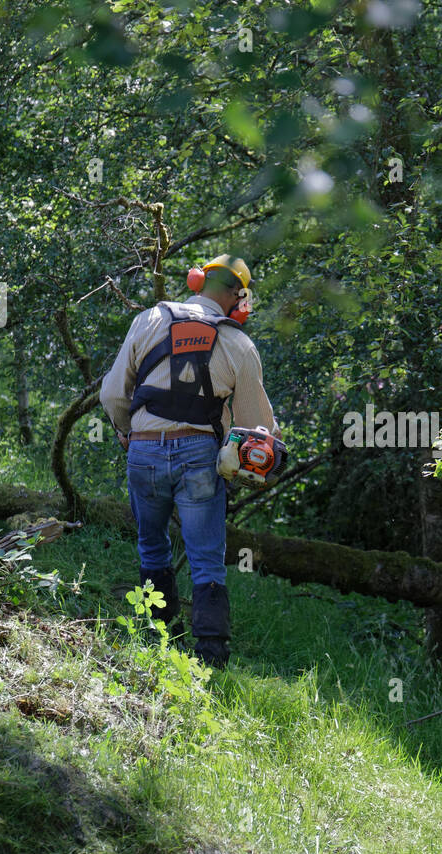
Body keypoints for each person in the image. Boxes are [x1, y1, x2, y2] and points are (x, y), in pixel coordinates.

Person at [99, 255, 279, 667]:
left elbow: (112, 394)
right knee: (206, 557)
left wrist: (129, 432)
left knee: (151, 545)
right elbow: (257, 430)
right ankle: (211, 658)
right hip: (199, 457)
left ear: (197, 281)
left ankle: (156, 639)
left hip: (142, 450)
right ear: (239, 297)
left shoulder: (148, 319)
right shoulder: (238, 343)